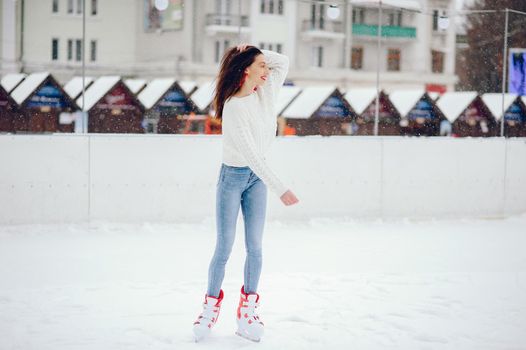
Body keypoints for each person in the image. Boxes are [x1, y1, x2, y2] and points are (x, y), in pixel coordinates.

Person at [192, 45, 299, 342]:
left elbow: (284, 60)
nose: (268, 71)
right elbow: (251, 155)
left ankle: (247, 310)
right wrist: (281, 188)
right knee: (224, 246)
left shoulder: (267, 92)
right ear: (246, 70)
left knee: (255, 246)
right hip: (234, 177)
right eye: (261, 66)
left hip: (257, 179)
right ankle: (209, 308)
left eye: (266, 66)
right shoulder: (234, 106)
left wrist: (255, 50)